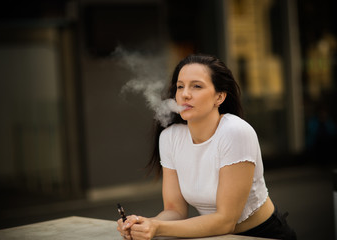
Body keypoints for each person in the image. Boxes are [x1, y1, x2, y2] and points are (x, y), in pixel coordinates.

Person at [117, 54, 297, 240]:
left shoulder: (235, 132)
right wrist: (143, 224)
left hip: (262, 235)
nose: (185, 94)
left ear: (219, 96)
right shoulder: (169, 138)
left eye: (197, 86)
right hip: (215, 236)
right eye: (180, 86)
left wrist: (158, 227)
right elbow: (175, 211)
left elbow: (226, 221)